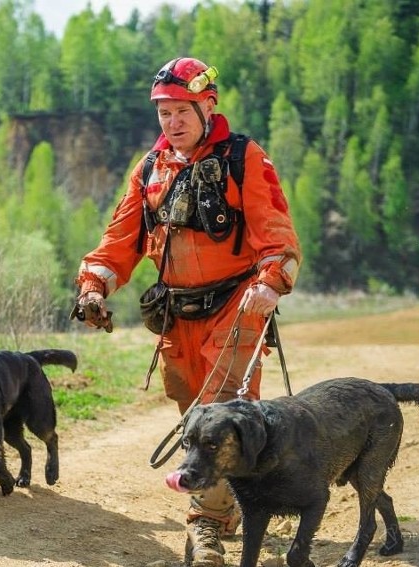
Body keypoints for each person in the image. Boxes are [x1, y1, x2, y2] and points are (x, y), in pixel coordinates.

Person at [71, 57, 301, 567]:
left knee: (219, 417)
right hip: (177, 317)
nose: (171, 122)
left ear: (207, 106)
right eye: (163, 113)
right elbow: (118, 244)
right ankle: (239, 496)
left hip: (236, 309)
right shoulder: (149, 170)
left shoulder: (246, 158)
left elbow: (276, 236)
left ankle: (207, 529)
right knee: (195, 418)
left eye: (181, 111)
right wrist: (93, 288)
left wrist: (270, 284)